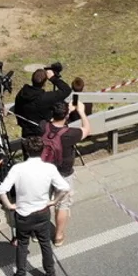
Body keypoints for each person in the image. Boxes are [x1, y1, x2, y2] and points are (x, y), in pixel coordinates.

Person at [0, 135, 69, 276]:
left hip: (23, 214)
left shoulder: (18, 168)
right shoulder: (49, 168)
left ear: (26, 151)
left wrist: (10, 205)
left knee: (22, 245)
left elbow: (1, 189)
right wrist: (54, 201)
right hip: (42, 212)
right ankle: (51, 275)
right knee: (45, 244)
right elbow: (64, 187)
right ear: (42, 151)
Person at [42, 99, 90, 244]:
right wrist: (81, 111)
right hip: (63, 172)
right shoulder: (70, 133)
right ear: (67, 116)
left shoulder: (43, 126)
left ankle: (38, 233)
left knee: (42, 201)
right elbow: (87, 129)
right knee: (62, 204)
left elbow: (49, 121)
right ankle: (58, 236)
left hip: (44, 170)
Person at [13, 65, 71, 135]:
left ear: (32, 79)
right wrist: (53, 78)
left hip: (26, 133)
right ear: (44, 83)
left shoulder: (22, 93)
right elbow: (66, 90)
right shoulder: (44, 98)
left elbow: (17, 110)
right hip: (42, 134)